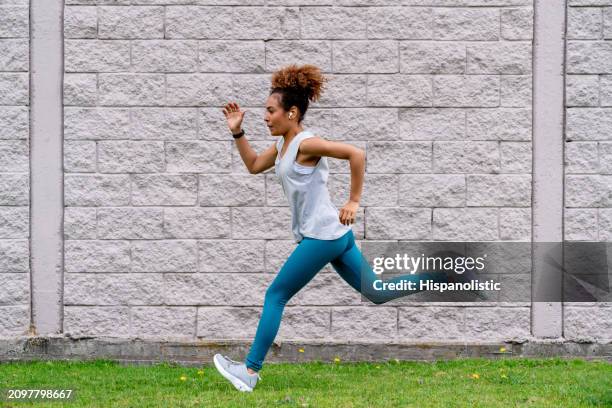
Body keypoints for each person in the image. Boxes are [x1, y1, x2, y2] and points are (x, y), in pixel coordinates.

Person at [212, 64, 469, 392]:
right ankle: (443, 274)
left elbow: (355, 154)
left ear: (291, 113)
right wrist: (237, 132)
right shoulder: (282, 147)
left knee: (275, 295)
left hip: (322, 235)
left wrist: (354, 201)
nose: (265, 116)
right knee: (376, 292)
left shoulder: (306, 143)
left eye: (270, 111)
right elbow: (252, 166)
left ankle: (250, 370)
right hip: (334, 235)